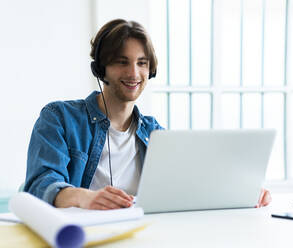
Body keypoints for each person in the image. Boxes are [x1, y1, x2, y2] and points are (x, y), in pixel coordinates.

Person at [24, 18, 271, 210]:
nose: (134, 73)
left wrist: (242, 190)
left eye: (142, 63)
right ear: (101, 69)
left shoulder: (154, 133)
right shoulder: (59, 118)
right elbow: (40, 184)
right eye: (122, 61)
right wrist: (84, 197)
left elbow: (191, 184)